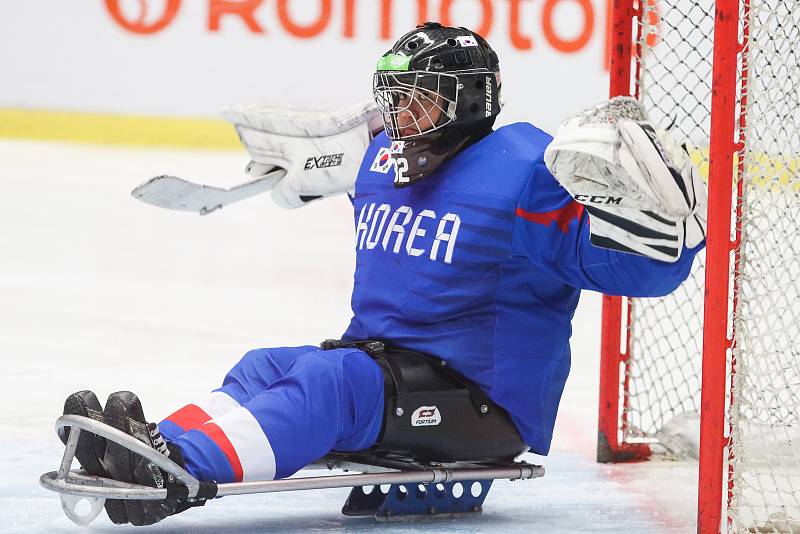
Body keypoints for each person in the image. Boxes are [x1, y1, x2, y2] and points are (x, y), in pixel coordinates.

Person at [59, 23, 706, 526]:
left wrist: (670, 237)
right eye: (395, 105)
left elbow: (637, 271)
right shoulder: (383, 165)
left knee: (326, 382)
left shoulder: (526, 175)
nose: (401, 123)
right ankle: (145, 448)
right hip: (392, 372)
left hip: (482, 404)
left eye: (418, 106)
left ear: (468, 103)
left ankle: (177, 473)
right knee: (264, 365)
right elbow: (326, 172)